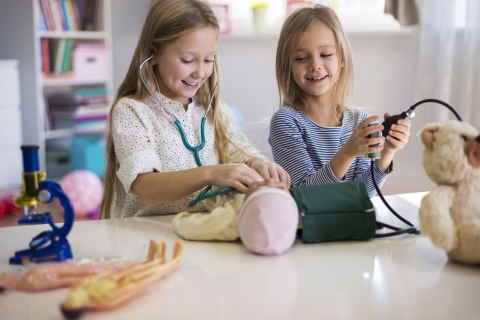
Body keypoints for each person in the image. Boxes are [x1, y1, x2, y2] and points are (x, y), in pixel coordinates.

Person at [100, 0, 289, 219]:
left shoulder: (211, 110)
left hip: (201, 229)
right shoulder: (132, 112)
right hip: (148, 236)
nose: (200, 72)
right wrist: (210, 173)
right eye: (188, 60)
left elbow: (239, 153)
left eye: (208, 59)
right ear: (154, 54)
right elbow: (146, 189)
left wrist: (260, 162)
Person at [269, 5, 411, 197]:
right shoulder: (285, 122)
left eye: (326, 55)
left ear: (342, 59)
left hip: (349, 222)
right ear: (288, 65)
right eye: (301, 58)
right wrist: (347, 153)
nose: (315, 65)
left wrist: (388, 151)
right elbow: (306, 196)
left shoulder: (359, 121)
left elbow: (363, 193)